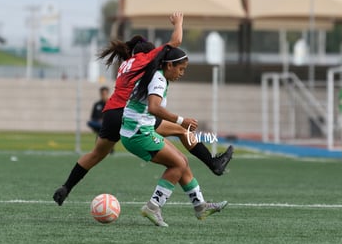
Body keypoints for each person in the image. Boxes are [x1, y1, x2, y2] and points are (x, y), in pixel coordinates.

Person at [53, 12, 233, 206]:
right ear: (148, 52)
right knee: (182, 132)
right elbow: (176, 40)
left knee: (96, 154)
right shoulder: (146, 59)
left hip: (112, 112)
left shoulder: (126, 64)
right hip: (131, 113)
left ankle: (66, 187)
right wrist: (178, 22)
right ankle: (212, 163)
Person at [121, 47, 227, 227]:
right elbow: (154, 108)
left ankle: (200, 205)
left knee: (182, 160)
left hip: (139, 128)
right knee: (178, 163)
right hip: (138, 132)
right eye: (181, 69)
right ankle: (153, 207)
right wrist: (181, 120)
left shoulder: (157, 76)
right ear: (169, 65)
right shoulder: (159, 79)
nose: (182, 73)